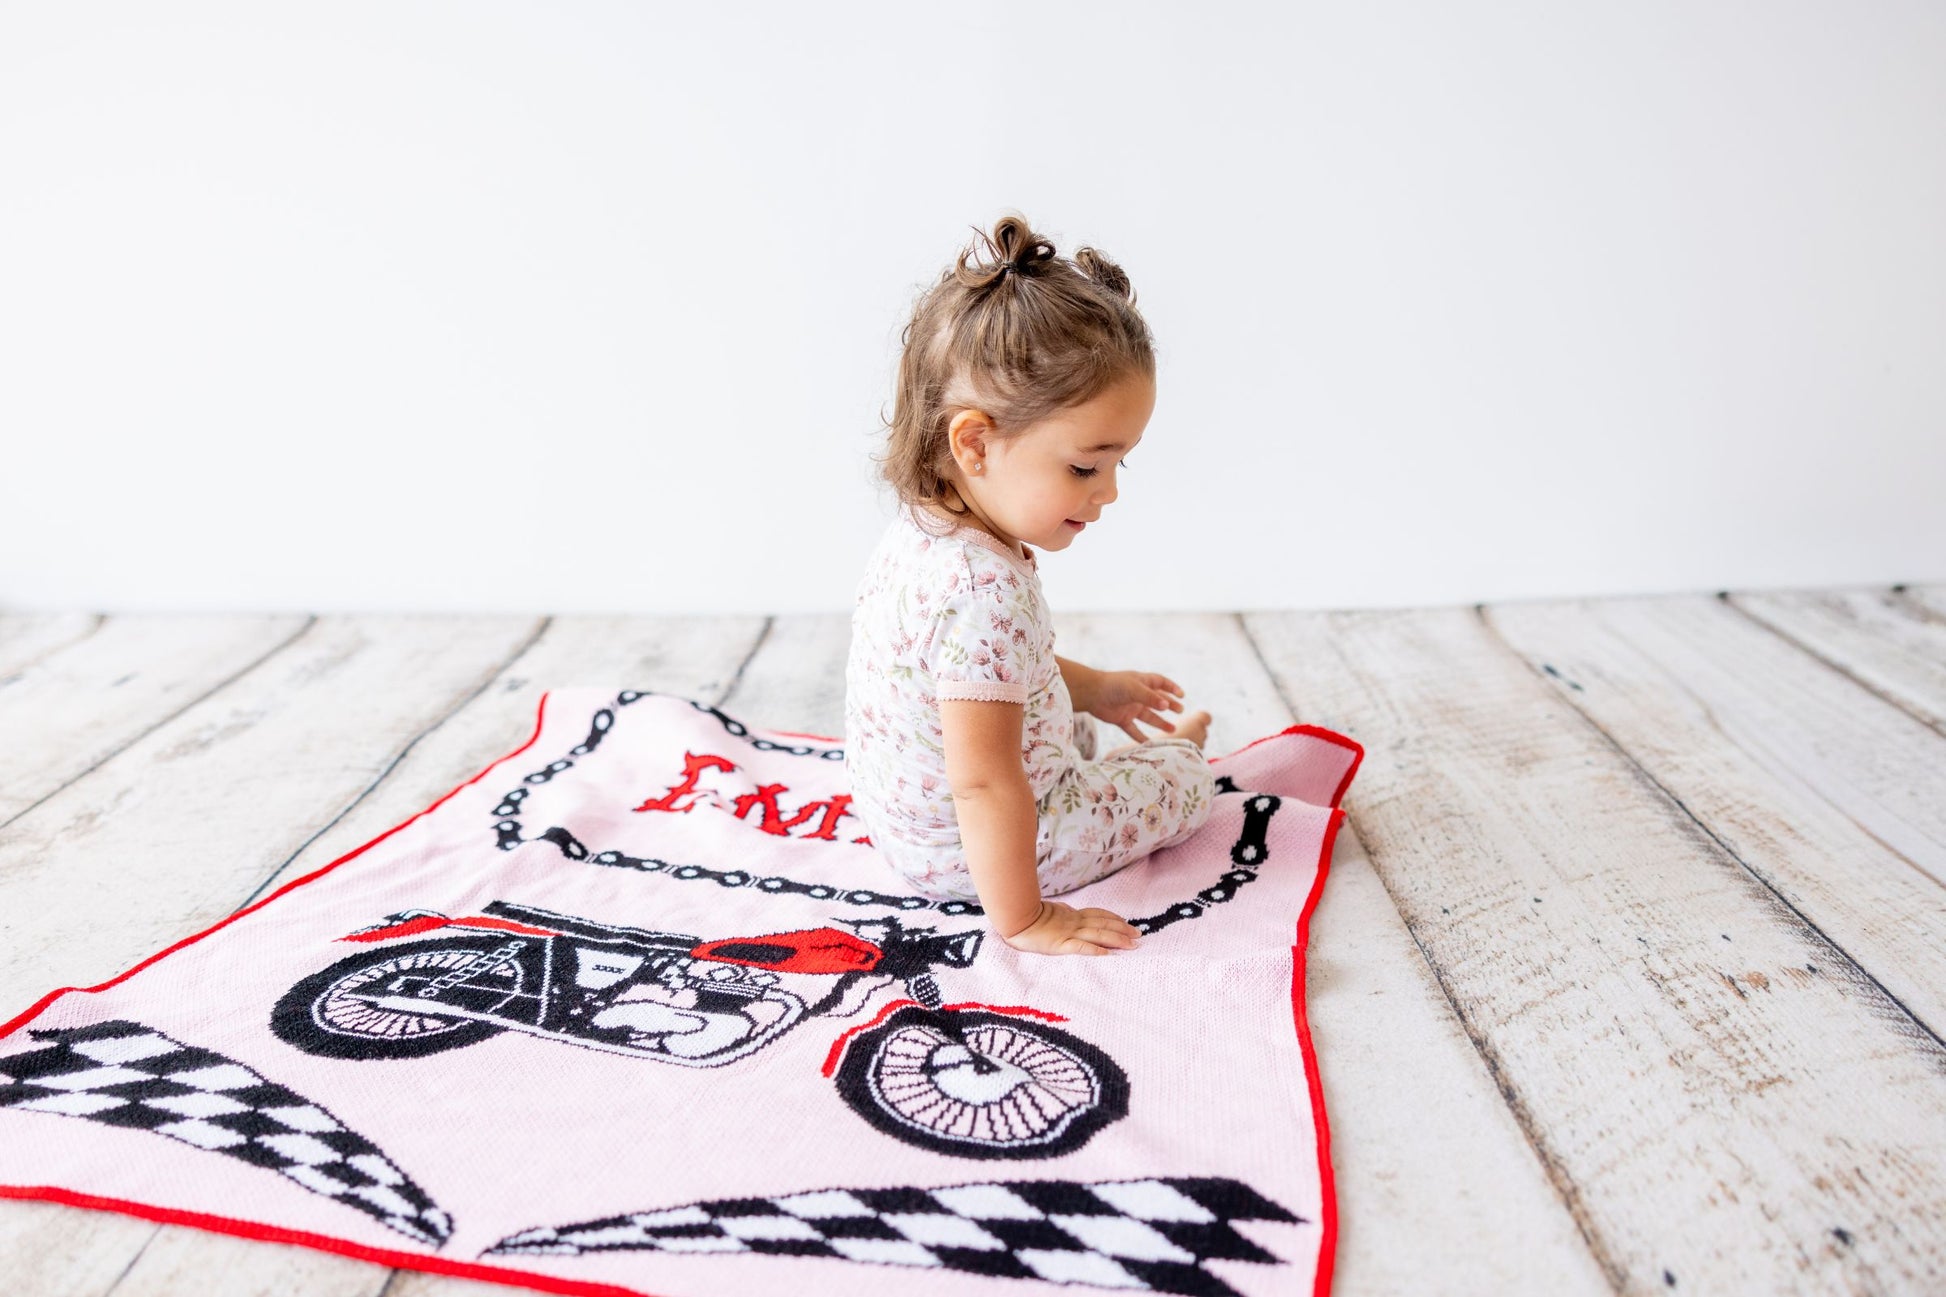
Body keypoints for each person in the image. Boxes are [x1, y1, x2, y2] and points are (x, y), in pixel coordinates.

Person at [843, 212, 1216, 958]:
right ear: (975, 443)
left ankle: (1090, 755)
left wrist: (1097, 687)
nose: (1106, 492)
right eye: (1085, 466)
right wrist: (1026, 918)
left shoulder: (924, 530)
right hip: (966, 852)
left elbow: (985, 682)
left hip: (905, 816)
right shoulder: (983, 590)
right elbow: (984, 784)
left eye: (1118, 464)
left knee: (1065, 726)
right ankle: (1170, 765)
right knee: (1184, 782)